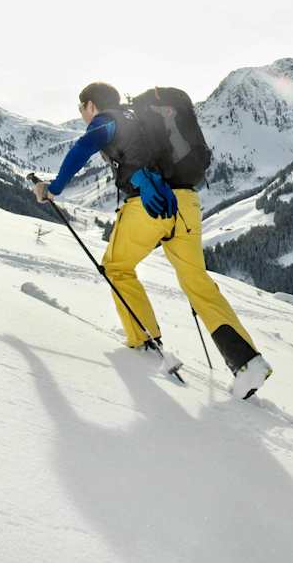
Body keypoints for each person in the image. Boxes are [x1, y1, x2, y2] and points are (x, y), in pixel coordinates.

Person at [33, 81, 272, 399]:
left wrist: (53, 188)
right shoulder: (142, 117)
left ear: (91, 105)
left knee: (117, 267)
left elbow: (81, 149)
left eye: (81, 108)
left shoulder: (108, 119)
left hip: (150, 204)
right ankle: (248, 362)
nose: (81, 114)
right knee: (196, 281)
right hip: (186, 202)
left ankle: (144, 343)